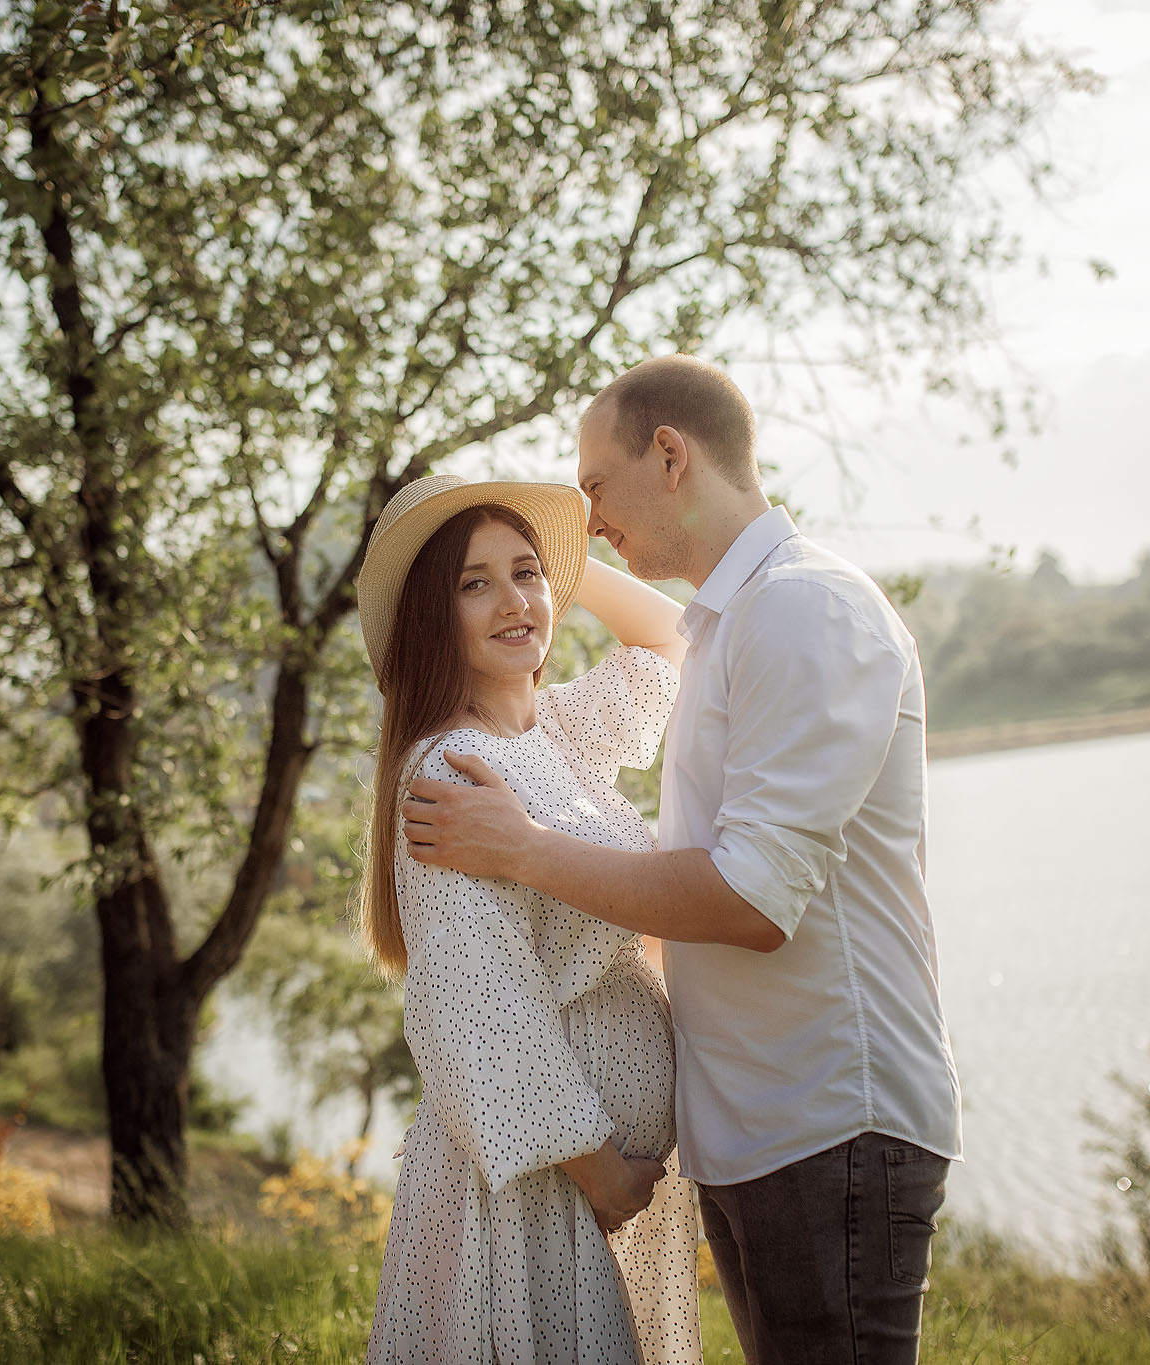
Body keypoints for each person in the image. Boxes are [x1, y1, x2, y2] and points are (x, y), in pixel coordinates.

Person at [402, 355, 963, 1365]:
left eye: (592, 491)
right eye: (474, 583)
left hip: (824, 1118)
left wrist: (527, 851)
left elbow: (751, 897)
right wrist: (534, 577)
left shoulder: (802, 609)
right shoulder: (735, 619)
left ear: (669, 454)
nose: (588, 518)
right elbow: (473, 1002)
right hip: (751, 1133)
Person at [356, 474, 703, 1365]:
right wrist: (598, 1165)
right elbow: (478, 999)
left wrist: (566, 560)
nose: (514, 602)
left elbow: (672, 637)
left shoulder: (552, 729)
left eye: (526, 573)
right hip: (543, 1187)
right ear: (435, 618)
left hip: (592, 1181)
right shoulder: (455, 769)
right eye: (475, 584)